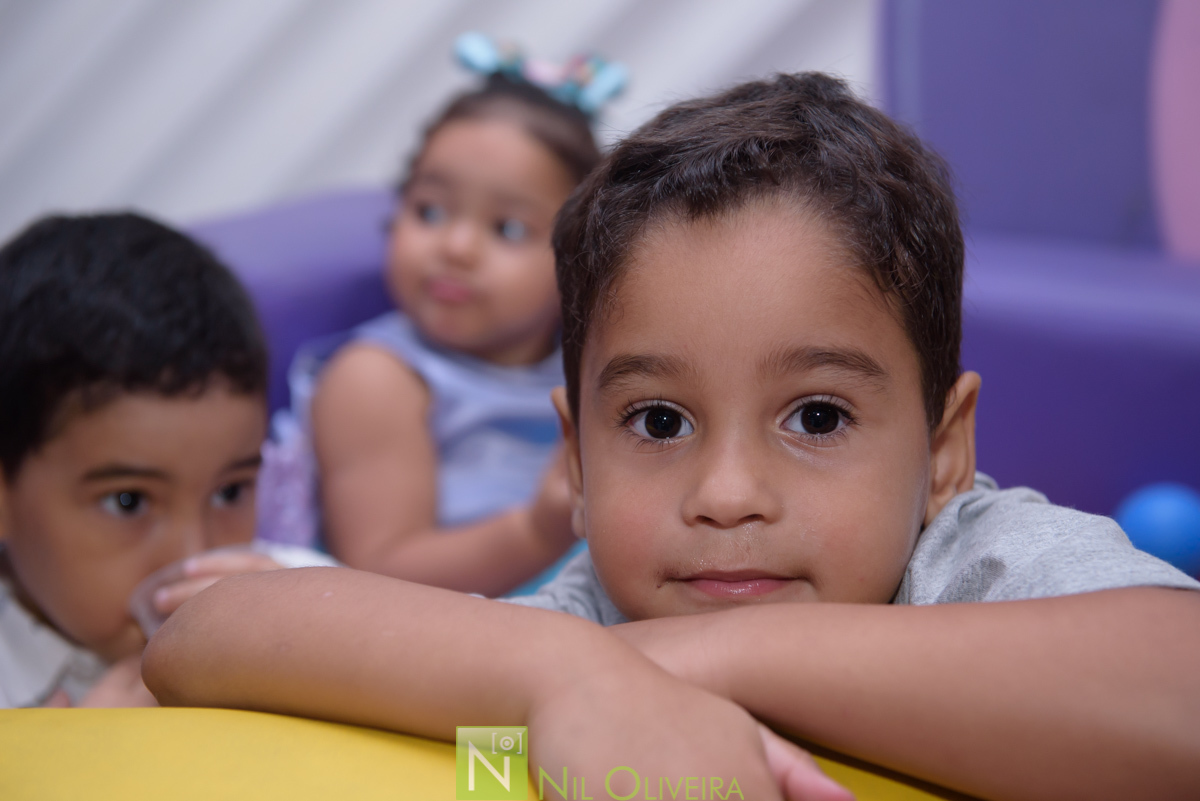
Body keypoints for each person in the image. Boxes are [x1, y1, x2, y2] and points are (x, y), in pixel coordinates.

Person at [144, 74, 1200, 800]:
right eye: (658, 422)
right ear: (578, 464)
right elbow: (198, 639)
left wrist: (699, 656)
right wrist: (566, 681)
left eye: (817, 417)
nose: (727, 493)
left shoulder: (979, 561)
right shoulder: (582, 627)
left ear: (942, 449)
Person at [258, 42, 613, 596]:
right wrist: (534, 532)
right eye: (430, 210)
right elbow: (377, 569)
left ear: (576, 257)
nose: (456, 246)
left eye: (508, 229)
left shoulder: (585, 361)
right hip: (422, 631)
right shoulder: (377, 379)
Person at [0, 213, 335, 708]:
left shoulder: (305, 599)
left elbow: (487, 769)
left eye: (230, 492)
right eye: (129, 502)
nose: (191, 556)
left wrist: (329, 672)